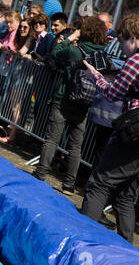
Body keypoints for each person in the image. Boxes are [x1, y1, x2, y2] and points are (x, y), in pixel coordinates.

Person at [80, 13, 139, 243]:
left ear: (132, 37)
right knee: (125, 196)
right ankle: (127, 247)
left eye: (122, 41)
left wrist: (96, 77)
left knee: (99, 182)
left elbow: (113, 93)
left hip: (135, 131)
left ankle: (80, 240)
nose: (121, 47)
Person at [31, 16, 108, 196]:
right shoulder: (101, 54)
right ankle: (68, 185)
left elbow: (56, 53)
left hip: (64, 98)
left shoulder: (76, 51)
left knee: (52, 138)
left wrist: (70, 38)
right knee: (75, 146)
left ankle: (41, 172)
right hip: (85, 103)